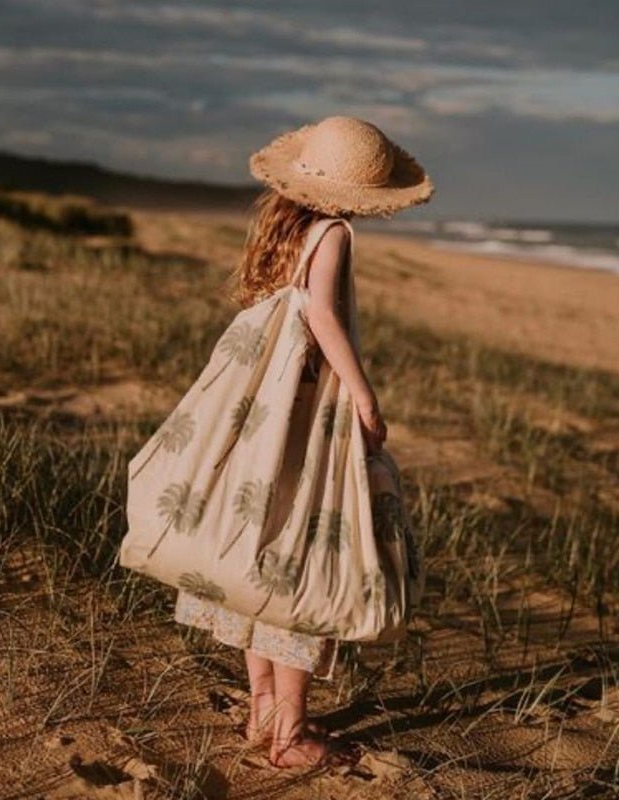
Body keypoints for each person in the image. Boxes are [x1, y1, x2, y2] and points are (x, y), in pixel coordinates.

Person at [172, 116, 434, 769]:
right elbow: (320, 314)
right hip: (307, 423)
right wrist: (364, 393)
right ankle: (289, 735)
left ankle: (264, 712)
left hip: (266, 422)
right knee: (301, 565)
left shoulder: (283, 230)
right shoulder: (335, 234)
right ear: (362, 197)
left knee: (265, 559)